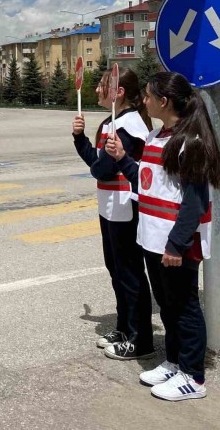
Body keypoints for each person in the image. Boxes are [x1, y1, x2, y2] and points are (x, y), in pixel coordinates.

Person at [104, 71, 220, 402]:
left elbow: (194, 202)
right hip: (153, 240)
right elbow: (145, 182)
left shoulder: (190, 142)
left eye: (150, 96)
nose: (145, 100)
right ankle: (174, 362)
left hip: (176, 244)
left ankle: (193, 377)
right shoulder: (158, 135)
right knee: (168, 307)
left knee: (184, 308)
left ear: (164, 101)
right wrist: (122, 159)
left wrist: (176, 245)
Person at [73, 68, 154, 361]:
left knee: (130, 273)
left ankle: (141, 339)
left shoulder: (129, 126)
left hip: (125, 206)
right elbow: (96, 163)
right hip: (108, 205)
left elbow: (102, 168)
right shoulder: (112, 121)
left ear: (118, 92)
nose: (96, 90)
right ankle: (123, 328)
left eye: (102, 85)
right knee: (116, 270)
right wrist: (79, 137)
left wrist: (92, 153)